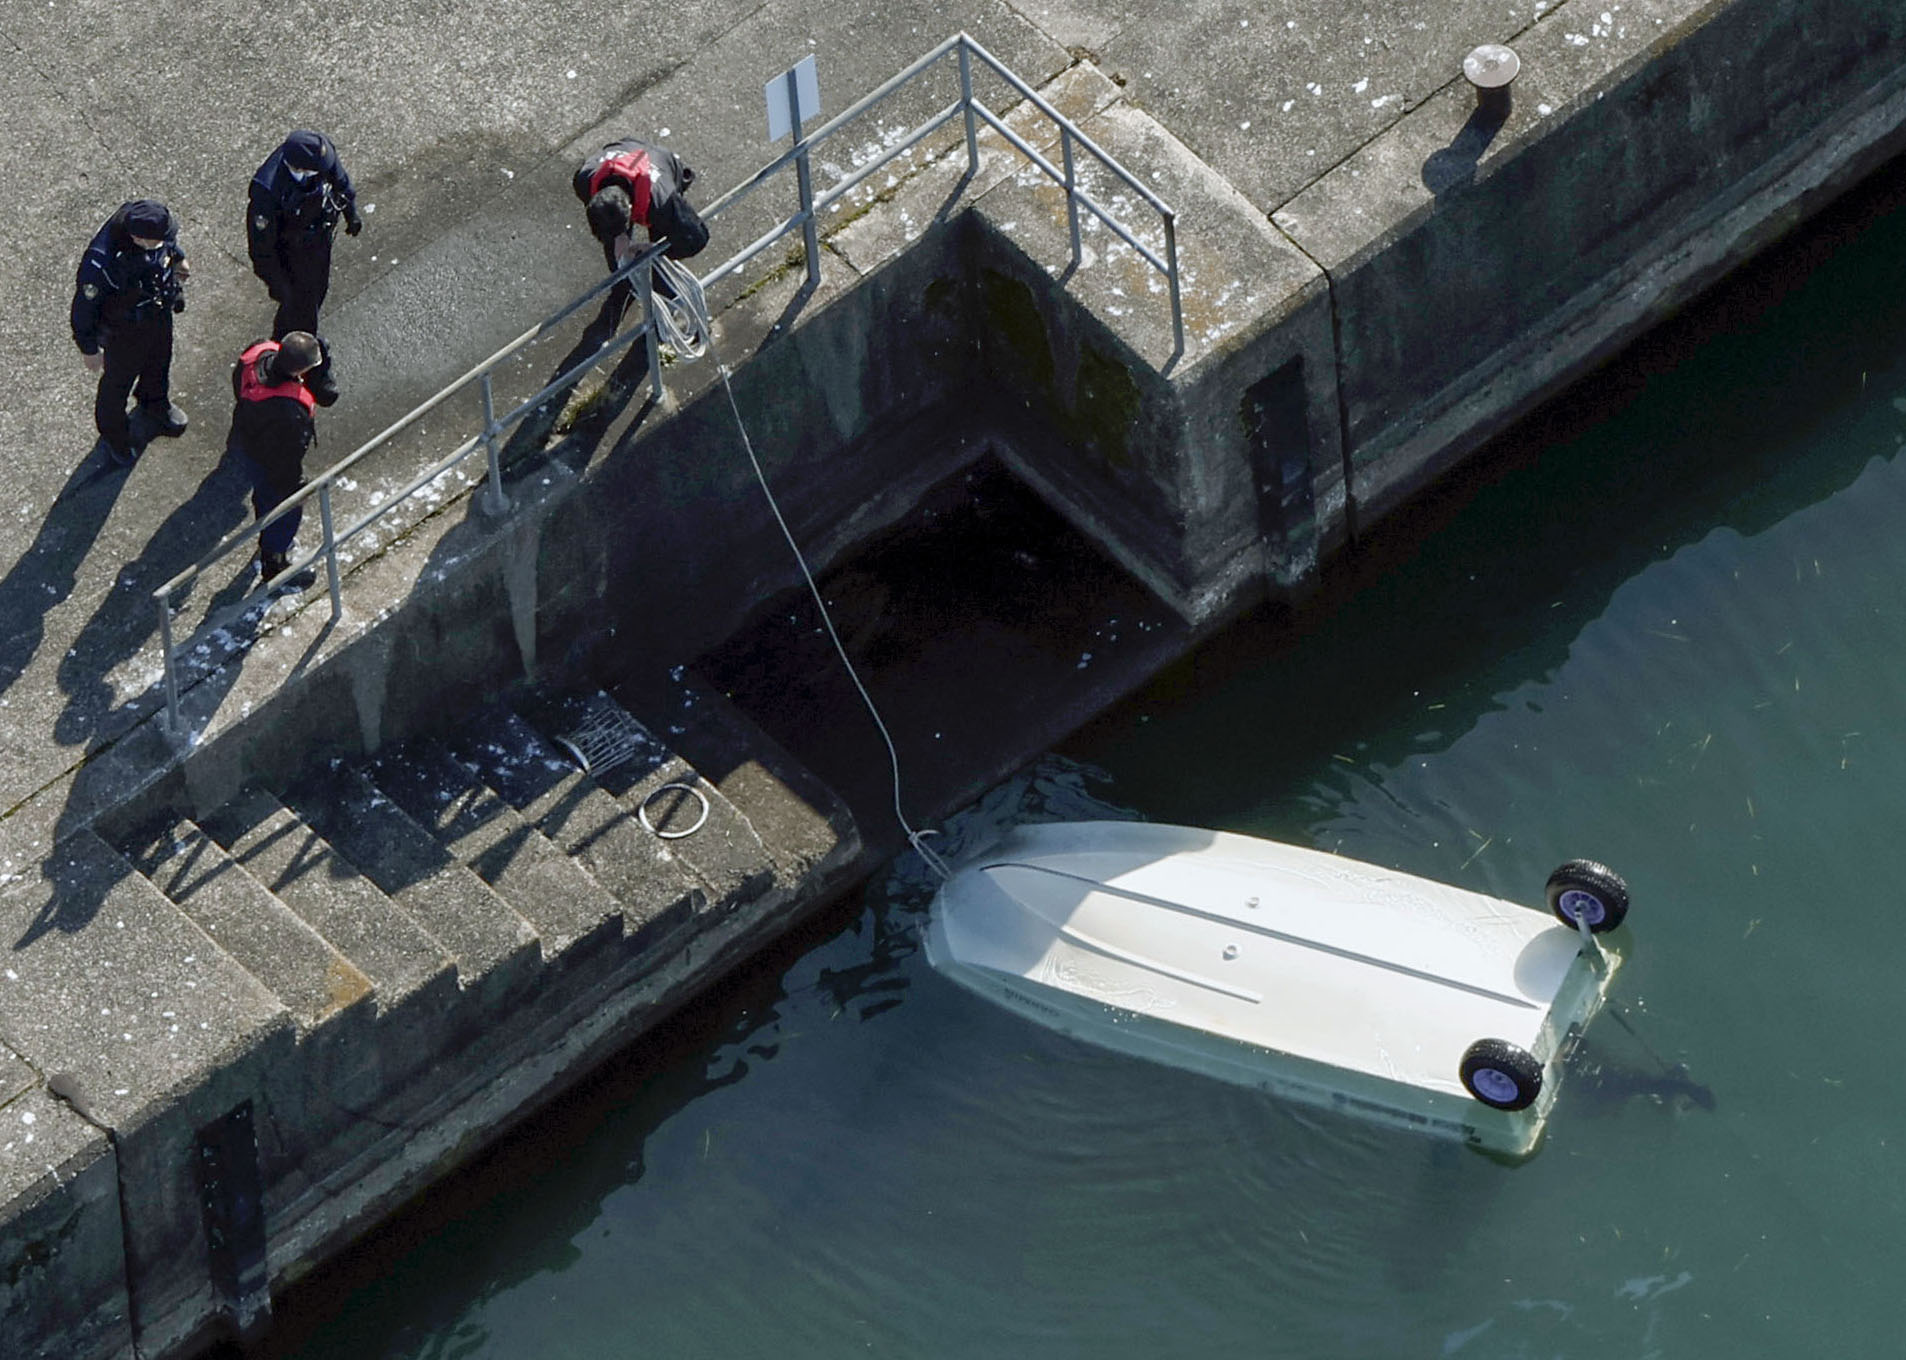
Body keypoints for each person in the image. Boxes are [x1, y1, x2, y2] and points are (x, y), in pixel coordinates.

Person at [70, 199, 190, 466]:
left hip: (157, 313)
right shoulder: (101, 263)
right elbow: (83, 308)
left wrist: (179, 260)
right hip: (124, 331)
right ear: (137, 237)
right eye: (155, 240)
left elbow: (167, 247)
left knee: (160, 362)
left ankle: (154, 402)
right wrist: (88, 348)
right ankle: (115, 435)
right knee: (117, 385)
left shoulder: (151, 224)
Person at [247, 130, 360, 397]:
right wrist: (278, 283)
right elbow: (262, 248)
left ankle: (281, 356)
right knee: (302, 312)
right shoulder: (269, 190)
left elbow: (340, 181)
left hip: (318, 246)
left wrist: (350, 211)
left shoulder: (321, 157)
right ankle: (309, 367)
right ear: (299, 167)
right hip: (290, 258)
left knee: (306, 307)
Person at [227, 331, 332, 581]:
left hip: (244, 438)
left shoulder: (257, 351)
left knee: (262, 497)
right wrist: (295, 488)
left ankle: (266, 528)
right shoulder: (289, 412)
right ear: (301, 370)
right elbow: (287, 459)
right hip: (269, 460)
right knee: (284, 509)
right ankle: (275, 562)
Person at [572, 138, 709, 321]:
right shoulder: (585, 180)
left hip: (662, 168)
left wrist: (655, 250)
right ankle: (624, 284)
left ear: (630, 210)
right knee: (615, 250)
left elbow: (698, 238)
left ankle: (664, 311)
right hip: (627, 148)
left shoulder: (664, 203)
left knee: (662, 262)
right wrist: (618, 242)